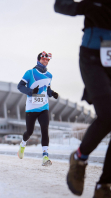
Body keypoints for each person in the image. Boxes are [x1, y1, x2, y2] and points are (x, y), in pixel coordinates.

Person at [54, 1, 111, 197]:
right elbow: (59, 5)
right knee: (108, 114)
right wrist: (86, 7)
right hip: (93, 58)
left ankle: (104, 185)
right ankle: (79, 159)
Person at [17, 51, 59, 166]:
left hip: (44, 107)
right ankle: (23, 144)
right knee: (29, 132)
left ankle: (45, 157)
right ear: (39, 59)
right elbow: (20, 86)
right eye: (43, 59)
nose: (45, 61)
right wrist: (30, 92)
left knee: (45, 129)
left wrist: (52, 93)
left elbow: (47, 89)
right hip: (31, 108)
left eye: (47, 60)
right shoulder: (30, 73)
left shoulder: (49, 75)